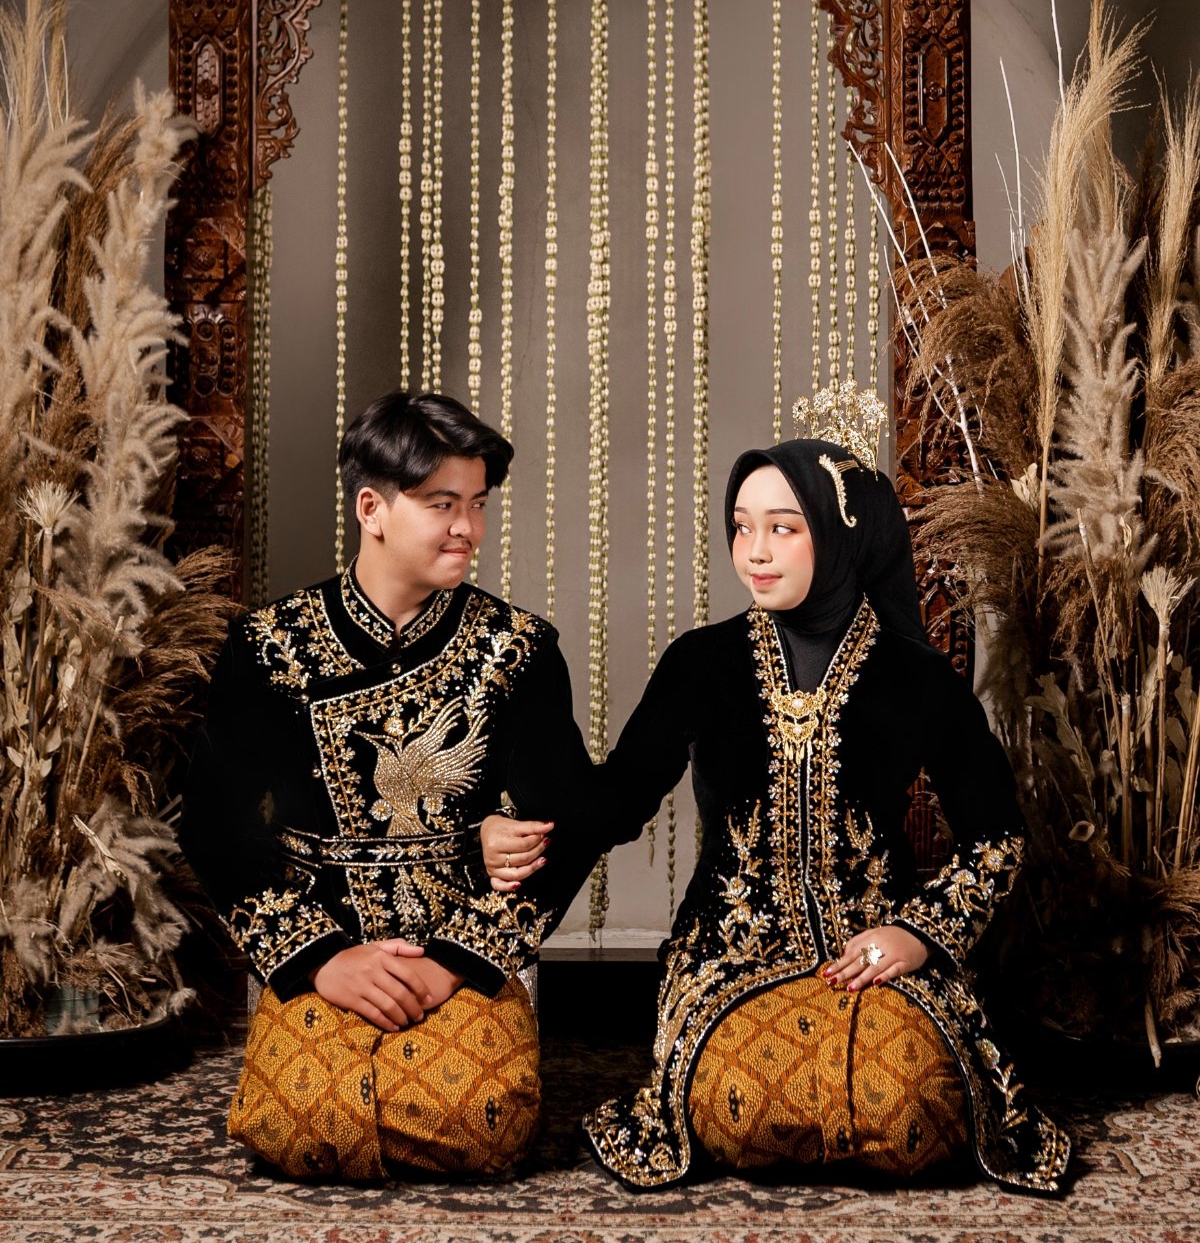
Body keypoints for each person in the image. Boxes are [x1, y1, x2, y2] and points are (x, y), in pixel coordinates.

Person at [483, 411, 1071, 1196]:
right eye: (741, 527)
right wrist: (498, 819)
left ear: (842, 534)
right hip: (728, 958)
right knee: (738, 1108)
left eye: (783, 529)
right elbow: (613, 803)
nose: (754, 552)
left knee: (904, 1108)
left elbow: (996, 836)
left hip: (873, 956)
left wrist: (917, 934)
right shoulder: (702, 663)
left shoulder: (916, 677)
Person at [181, 389, 593, 1182]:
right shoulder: (270, 647)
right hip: (324, 950)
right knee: (294, 1122)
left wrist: (449, 963)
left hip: (459, 955)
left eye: (477, 504)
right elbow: (215, 823)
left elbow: (565, 825)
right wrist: (323, 960)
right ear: (371, 508)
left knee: (477, 1121)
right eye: (443, 504)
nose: (468, 528)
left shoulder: (518, 650)